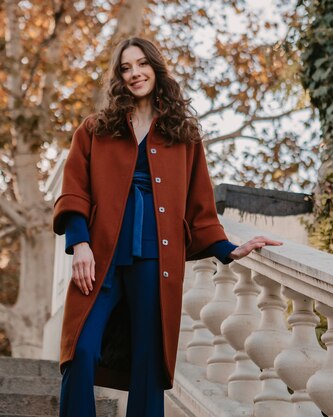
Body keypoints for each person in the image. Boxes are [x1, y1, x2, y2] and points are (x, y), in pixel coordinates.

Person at [52, 37, 282, 417]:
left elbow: (199, 208)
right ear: (118, 77)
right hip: (101, 256)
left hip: (155, 260)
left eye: (141, 64)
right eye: (125, 68)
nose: (134, 74)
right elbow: (75, 190)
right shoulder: (95, 129)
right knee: (81, 350)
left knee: (148, 361)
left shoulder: (184, 136)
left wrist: (228, 249)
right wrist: (80, 244)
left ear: (156, 69)